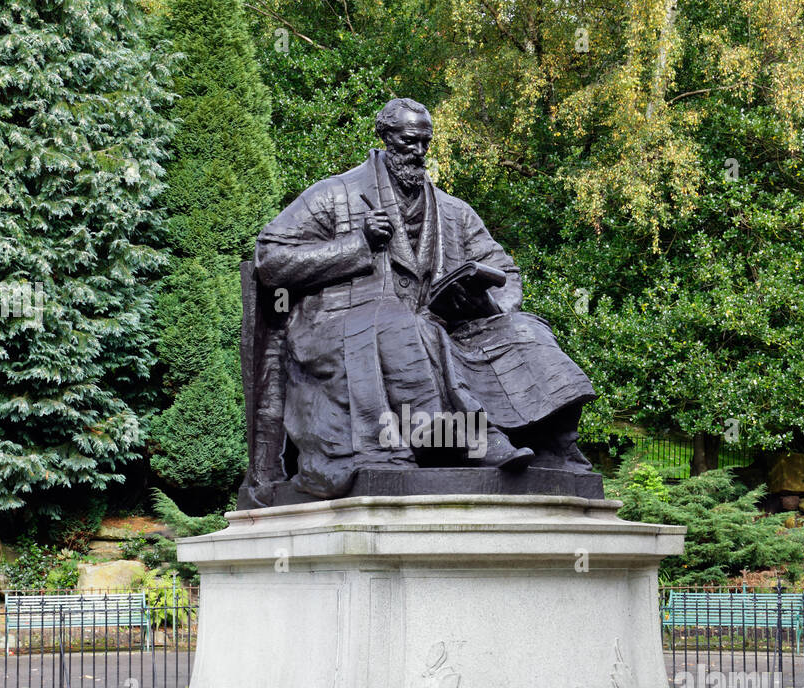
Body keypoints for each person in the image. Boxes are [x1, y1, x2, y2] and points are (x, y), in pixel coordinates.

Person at [252, 97, 596, 500]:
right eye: (408, 142)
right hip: (341, 331)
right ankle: (471, 440)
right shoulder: (334, 195)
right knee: (402, 324)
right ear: (384, 137)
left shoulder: (453, 212)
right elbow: (269, 259)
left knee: (526, 329)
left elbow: (506, 272)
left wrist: (489, 304)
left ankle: (554, 443)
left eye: (424, 144)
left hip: (440, 331)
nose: (417, 153)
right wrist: (356, 244)